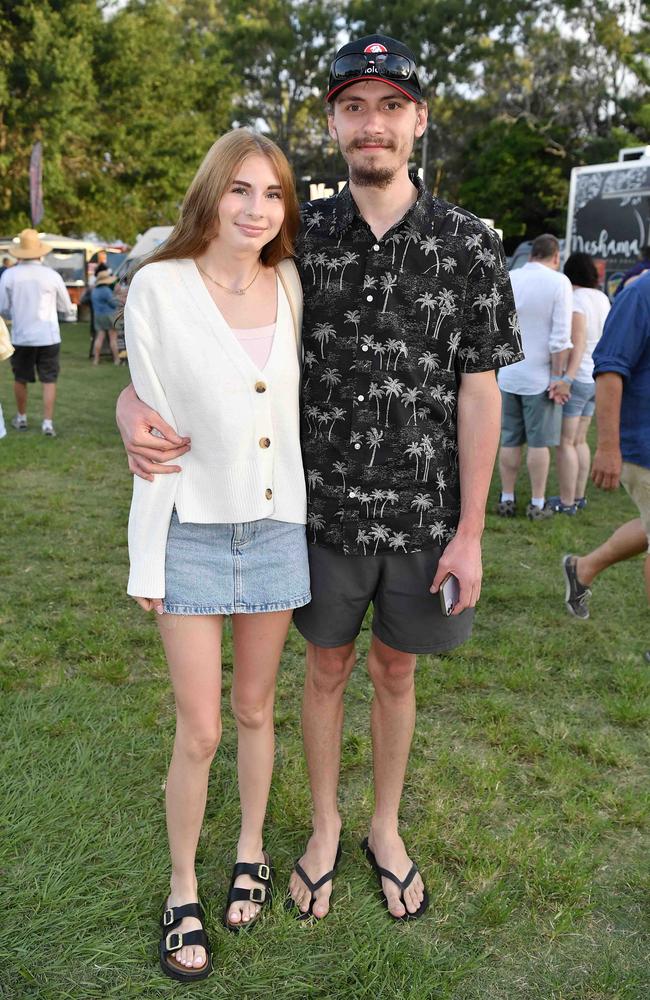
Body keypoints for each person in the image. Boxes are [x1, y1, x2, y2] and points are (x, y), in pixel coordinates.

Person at [117, 33, 522, 924]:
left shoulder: (469, 245)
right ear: (334, 122)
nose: (370, 125)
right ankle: (324, 828)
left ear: (417, 120)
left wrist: (471, 533)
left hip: (425, 518)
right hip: (315, 514)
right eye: (352, 107)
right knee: (326, 670)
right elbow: (208, 329)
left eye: (389, 106)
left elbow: (481, 392)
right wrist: (125, 404)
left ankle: (384, 826)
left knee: (396, 674)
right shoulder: (302, 239)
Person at [124, 128, 308, 981]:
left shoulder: (292, 283)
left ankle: (249, 849)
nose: (256, 209)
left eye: (272, 194)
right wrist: (147, 560)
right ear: (211, 193)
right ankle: (182, 889)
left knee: (255, 710)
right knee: (198, 730)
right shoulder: (159, 286)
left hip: (276, 530)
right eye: (240, 190)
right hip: (190, 531)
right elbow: (147, 402)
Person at [562, 271, 650, 653]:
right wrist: (608, 447)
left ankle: (583, 568)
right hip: (645, 445)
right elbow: (611, 369)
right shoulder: (642, 294)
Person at [496, 233, 573, 519]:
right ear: (556, 257)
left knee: (510, 440)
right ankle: (538, 503)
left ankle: (506, 496)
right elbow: (560, 338)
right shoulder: (559, 282)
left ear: (531, 254)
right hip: (540, 377)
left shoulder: (511, 276)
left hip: (508, 374)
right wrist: (558, 376)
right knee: (539, 444)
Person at [547, 252, 610, 514]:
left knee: (566, 442)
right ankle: (579, 496)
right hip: (597, 377)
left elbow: (578, 341)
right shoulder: (602, 298)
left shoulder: (576, 301)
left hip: (579, 376)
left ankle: (567, 501)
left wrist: (566, 378)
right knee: (581, 440)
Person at [0, 229, 73, 437]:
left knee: (20, 378)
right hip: (48, 335)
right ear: (40, 252)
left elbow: (3, 308)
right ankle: (47, 423)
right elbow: (66, 307)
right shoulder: (51, 275)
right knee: (49, 379)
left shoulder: (10, 275)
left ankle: (21, 418)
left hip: (21, 335)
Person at [90, 269, 121, 365]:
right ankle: (116, 359)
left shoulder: (94, 291)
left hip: (98, 316)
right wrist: (117, 295)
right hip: (109, 316)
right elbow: (114, 304)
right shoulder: (106, 291)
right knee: (113, 339)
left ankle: (96, 359)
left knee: (99, 338)